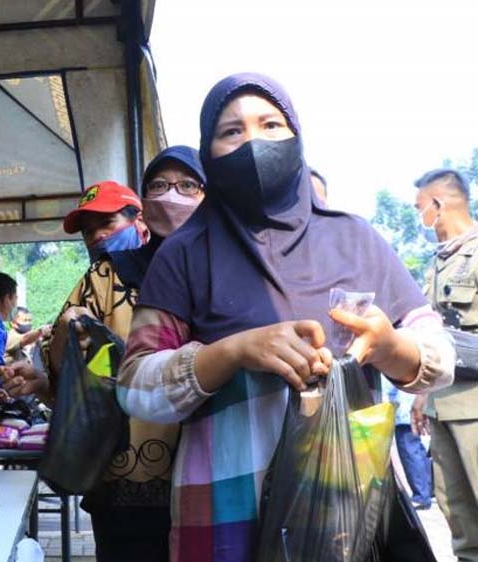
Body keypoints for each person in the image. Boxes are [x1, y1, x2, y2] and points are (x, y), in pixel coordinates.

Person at [116, 73, 455, 562]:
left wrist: (389, 346)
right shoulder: (185, 254)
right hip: (226, 511)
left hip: (347, 506)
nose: (253, 142)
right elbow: (136, 387)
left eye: (270, 125)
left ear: (297, 139)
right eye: (231, 131)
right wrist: (232, 351)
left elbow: (439, 357)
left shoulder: (355, 239)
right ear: (208, 153)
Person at [28, 148, 205, 562]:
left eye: (105, 224)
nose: (96, 237)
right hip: (126, 482)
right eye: (159, 186)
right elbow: (61, 368)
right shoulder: (106, 276)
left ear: (136, 217)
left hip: (212, 472)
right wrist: (66, 335)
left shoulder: (222, 269)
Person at [410, 168, 478, 560]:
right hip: (443, 407)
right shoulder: (438, 264)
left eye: (420, 208)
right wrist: (422, 395)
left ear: (438, 205)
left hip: (474, 405)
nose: (420, 218)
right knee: (460, 519)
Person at [383, 376, 433, 509]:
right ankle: (426, 490)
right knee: (417, 449)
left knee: (409, 450)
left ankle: (421, 495)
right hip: (411, 401)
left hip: (404, 406)